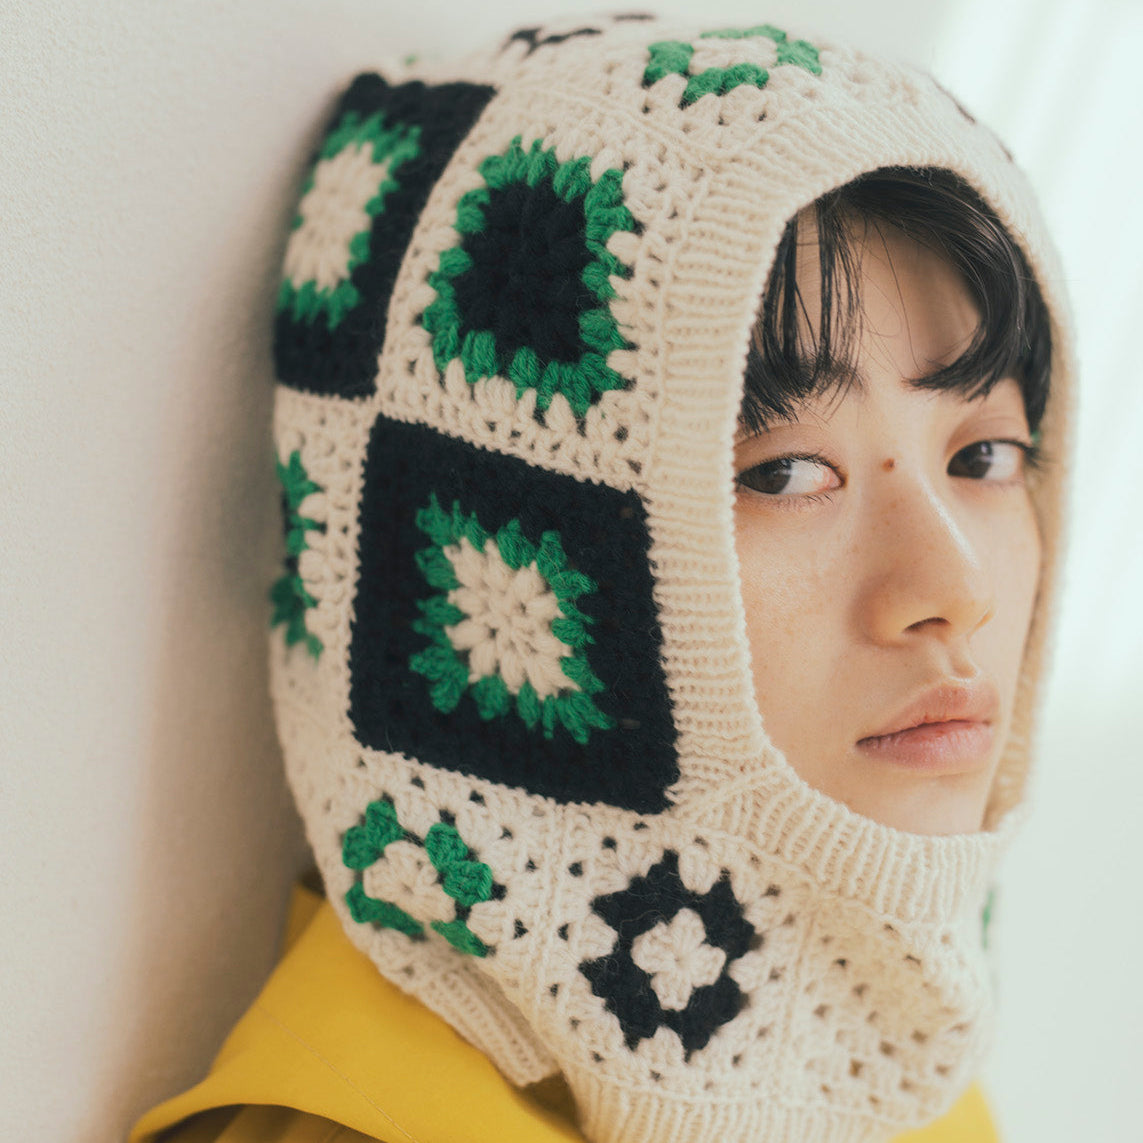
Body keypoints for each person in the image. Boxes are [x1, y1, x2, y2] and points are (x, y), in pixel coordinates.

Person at [131, 13, 1072, 1143]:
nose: (953, 588)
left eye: (984, 456)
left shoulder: (879, 1066)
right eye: (784, 473)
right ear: (538, 564)